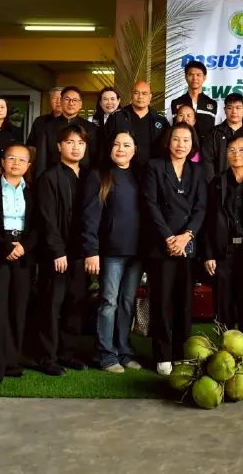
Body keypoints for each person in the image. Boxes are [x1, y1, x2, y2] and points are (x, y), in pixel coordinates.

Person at [143, 123, 206, 375]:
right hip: (162, 246)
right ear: (169, 141)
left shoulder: (198, 170)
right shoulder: (154, 167)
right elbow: (150, 204)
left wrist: (185, 237)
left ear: (193, 145)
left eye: (186, 140)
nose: (181, 145)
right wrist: (170, 238)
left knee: (184, 303)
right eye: (177, 139)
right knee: (160, 301)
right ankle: (162, 355)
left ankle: (182, 354)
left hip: (187, 246)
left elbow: (201, 208)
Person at [82, 131, 145, 373]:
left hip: (137, 252)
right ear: (109, 149)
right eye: (116, 144)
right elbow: (90, 216)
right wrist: (91, 250)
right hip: (110, 252)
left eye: (127, 145)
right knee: (108, 302)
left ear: (134, 150)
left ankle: (124, 350)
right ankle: (105, 354)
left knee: (127, 302)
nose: (121, 148)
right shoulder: (99, 175)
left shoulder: (140, 176)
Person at [0, 144, 38, 385]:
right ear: (3, 160)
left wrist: (24, 246)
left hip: (23, 254)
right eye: (11, 157)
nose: (16, 163)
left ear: (28, 166)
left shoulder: (32, 190)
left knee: (17, 310)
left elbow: (38, 225)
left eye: (22, 160)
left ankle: (11, 362)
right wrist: (5, 246)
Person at [36, 124, 90, 376]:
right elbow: (45, 218)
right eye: (70, 142)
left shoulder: (90, 176)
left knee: (76, 304)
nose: (75, 147)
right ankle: (47, 356)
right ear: (59, 146)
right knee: (51, 305)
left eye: (80, 142)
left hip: (81, 253)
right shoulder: (49, 176)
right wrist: (57, 251)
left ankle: (69, 353)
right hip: (56, 254)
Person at [203, 135, 243, 345]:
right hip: (223, 253)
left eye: (241, 150)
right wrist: (209, 254)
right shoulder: (216, 183)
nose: (236, 154)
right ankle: (223, 351)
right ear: (226, 154)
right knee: (223, 306)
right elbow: (207, 220)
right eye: (231, 150)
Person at [33, 86, 100, 178]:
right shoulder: (47, 126)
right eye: (67, 99)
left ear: (80, 104)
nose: (71, 103)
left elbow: (94, 158)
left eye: (75, 100)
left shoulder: (91, 128)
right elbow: (41, 158)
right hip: (53, 177)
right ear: (61, 101)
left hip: (83, 177)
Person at [103, 80, 169, 169]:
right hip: (123, 170)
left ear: (150, 97)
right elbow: (105, 146)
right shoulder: (117, 117)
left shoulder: (160, 120)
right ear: (131, 95)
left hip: (152, 172)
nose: (140, 97)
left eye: (144, 93)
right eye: (136, 93)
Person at [201, 93, 243, 181]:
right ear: (225, 110)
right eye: (230, 108)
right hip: (219, 187)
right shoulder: (213, 134)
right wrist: (213, 185)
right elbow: (207, 162)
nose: (234, 111)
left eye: (238, 108)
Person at [170, 60, 217, 141]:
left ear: (204, 77)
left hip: (207, 152)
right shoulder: (175, 103)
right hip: (182, 151)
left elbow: (218, 132)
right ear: (185, 77)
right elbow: (169, 130)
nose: (195, 78)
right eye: (191, 74)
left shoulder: (213, 105)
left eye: (198, 75)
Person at [26, 86, 63, 164]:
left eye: (62, 98)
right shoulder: (39, 121)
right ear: (50, 100)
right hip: (42, 167)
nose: (58, 101)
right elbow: (31, 146)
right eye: (55, 98)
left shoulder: (76, 123)